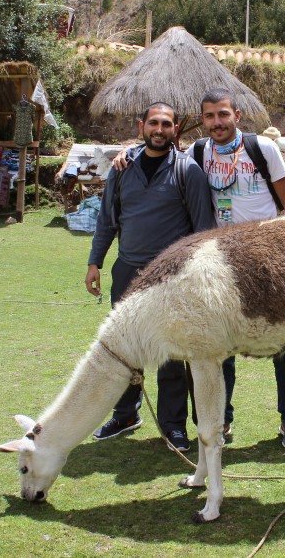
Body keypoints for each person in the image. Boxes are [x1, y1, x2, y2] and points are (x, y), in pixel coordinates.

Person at [86, 102, 216, 453]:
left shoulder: (187, 171)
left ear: (176, 130)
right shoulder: (122, 168)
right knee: (124, 347)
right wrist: (95, 261)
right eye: (153, 123)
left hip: (171, 277)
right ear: (141, 125)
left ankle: (173, 427)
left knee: (171, 353)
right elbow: (107, 220)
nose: (159, 129)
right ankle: (125, 413)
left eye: (167, 124)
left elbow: (204, 230)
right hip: (127, 270)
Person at [189, 88, 285, 450]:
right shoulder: (198, 152)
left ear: (237, 115)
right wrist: (123, 158)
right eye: (209, 116)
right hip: (223, 263)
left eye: (223, 115)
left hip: (271, 260)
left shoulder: (263, 148)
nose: (217, 123)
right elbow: (160, 158)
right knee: (220, 345)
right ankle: (221, 421)